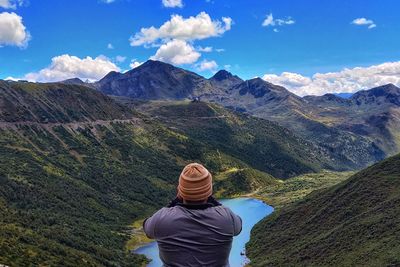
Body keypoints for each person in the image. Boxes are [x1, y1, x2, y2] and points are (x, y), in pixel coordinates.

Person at [143, 163, 242, 267]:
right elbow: (238, 228)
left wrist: (174, 202)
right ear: (209, 191)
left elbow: (147, 227)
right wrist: (214, 200)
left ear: (180, 190)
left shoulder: (161, 219)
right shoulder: (227, 217)